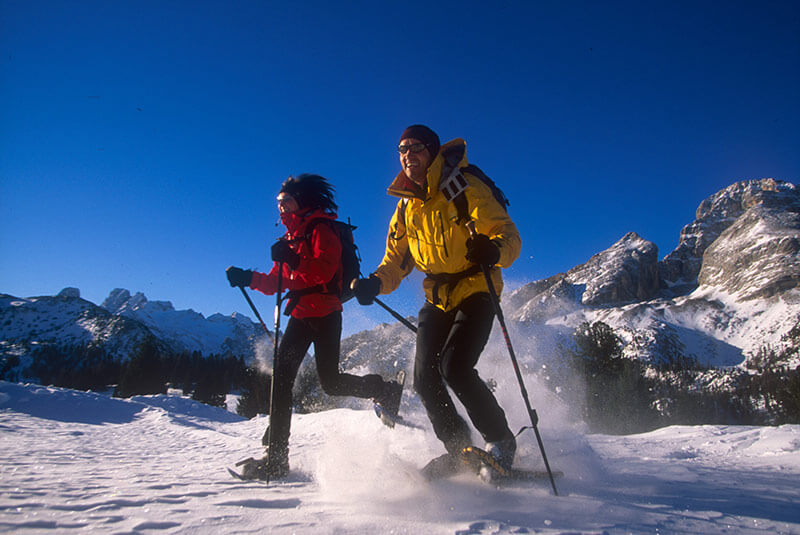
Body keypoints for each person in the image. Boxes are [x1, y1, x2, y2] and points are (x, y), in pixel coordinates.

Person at [352, 125, 522, 476]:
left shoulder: (464, 185)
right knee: (424, 379)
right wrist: (374, 284)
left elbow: (508, 236)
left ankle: (501, 441)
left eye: (415, 147)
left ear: (431, 151)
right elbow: (396, 263)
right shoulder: (405, 208)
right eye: (402, 149)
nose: (407, 154)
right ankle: (461, 450)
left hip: (477, 286)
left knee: (455, 368)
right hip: (437, 296)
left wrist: (493, 249)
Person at [226, 174, 403, 479]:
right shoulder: (289, 240)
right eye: (279, 203)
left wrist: (293, 260)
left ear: (303, 201)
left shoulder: (322, 229)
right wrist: (248, 278)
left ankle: (383, 390)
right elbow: (275, 282)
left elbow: (323, 272)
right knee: (281, 382)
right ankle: (277, 458)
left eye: (287, 202)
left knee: (331, 383)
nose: (281, 209)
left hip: (326, 314)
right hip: (300, 315)